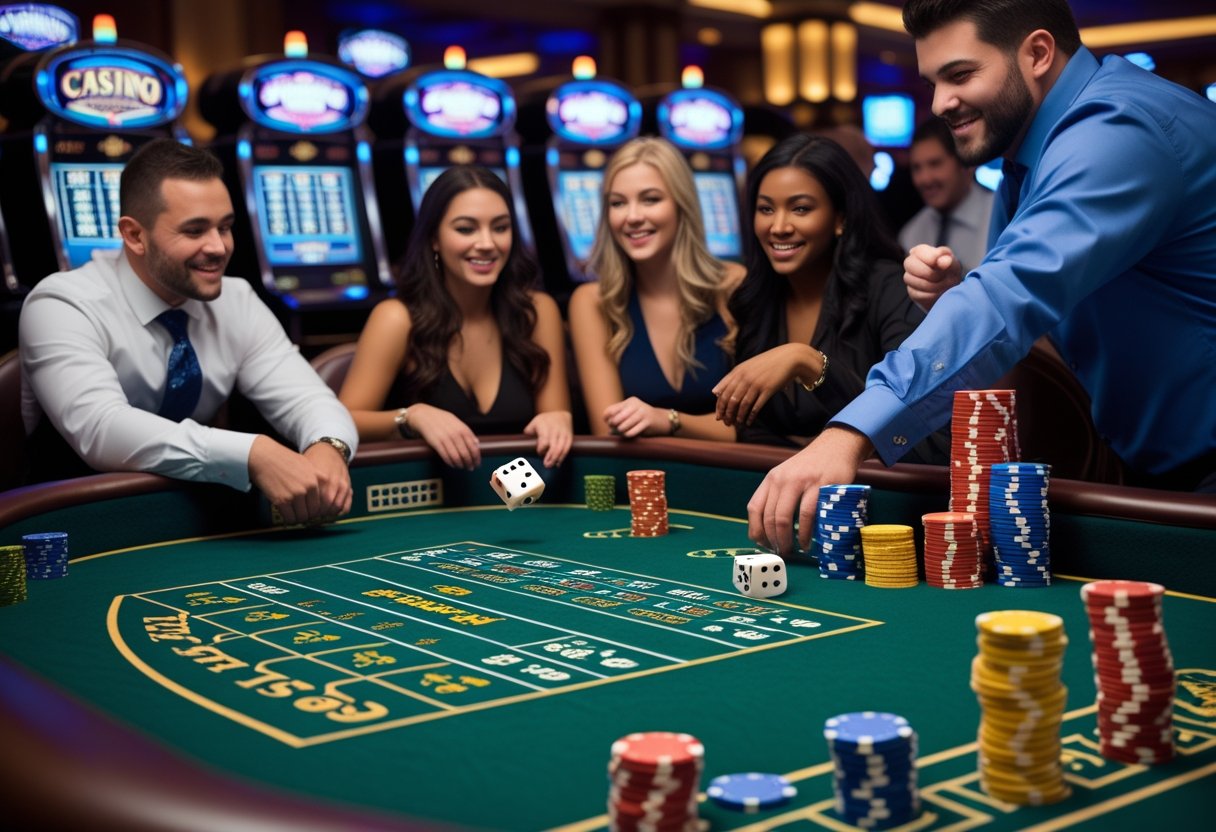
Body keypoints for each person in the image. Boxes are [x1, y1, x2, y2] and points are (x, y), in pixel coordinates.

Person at [748, 0, 1216, 555]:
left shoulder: (1118, 130)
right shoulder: (1026, 160)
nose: (941, 102)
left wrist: (850, 433)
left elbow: (1006, 299)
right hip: (1150, 465)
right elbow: (1032, 318)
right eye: (932, 80)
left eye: (961, 74)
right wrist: (958, 297)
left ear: (1038, 53)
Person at [19, 139, 356, 525]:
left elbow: (308, 398)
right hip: (71, 523)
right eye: (195, 231)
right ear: (134, 235)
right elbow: (102, 429)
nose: (218, 247)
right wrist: (252, 453)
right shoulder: (62, 304)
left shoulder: (237, 299)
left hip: (188, 521)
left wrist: (328, 446)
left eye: (225, 227)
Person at [713, 133, 946, 465]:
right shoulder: (756, 299)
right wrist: (668, 419)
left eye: (800, 209)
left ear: (841, 218)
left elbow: (915, 432)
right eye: (766, 209)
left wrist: (807, 362)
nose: (778, 226)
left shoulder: (888, 288)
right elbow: (753, 430)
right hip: (785, 492)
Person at [339, 165, 572, 471]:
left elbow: (554, 418)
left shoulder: (537, 313)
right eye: (466, 229)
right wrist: (412, 416)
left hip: (517, 500)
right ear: (434, 238)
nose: (487, 243)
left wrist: (560, 420)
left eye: (500, 227)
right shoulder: (397, 319)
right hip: (425, 503)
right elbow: (341, 425)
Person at [568, 137, 744, 440]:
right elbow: (608, 430)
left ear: (681, 204)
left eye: (650, 199)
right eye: (618, 203)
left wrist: (670, 420)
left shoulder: (731, 284)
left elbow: (756, 428)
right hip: (637, 478)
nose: (633, 216)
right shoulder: (592, 301)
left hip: (732, 476)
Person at [899, 117, 995, 277]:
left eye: (935, 164)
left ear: (965, 164)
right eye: (916, 168)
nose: (925, 179)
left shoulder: (1002, 216)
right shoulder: (911, 234)